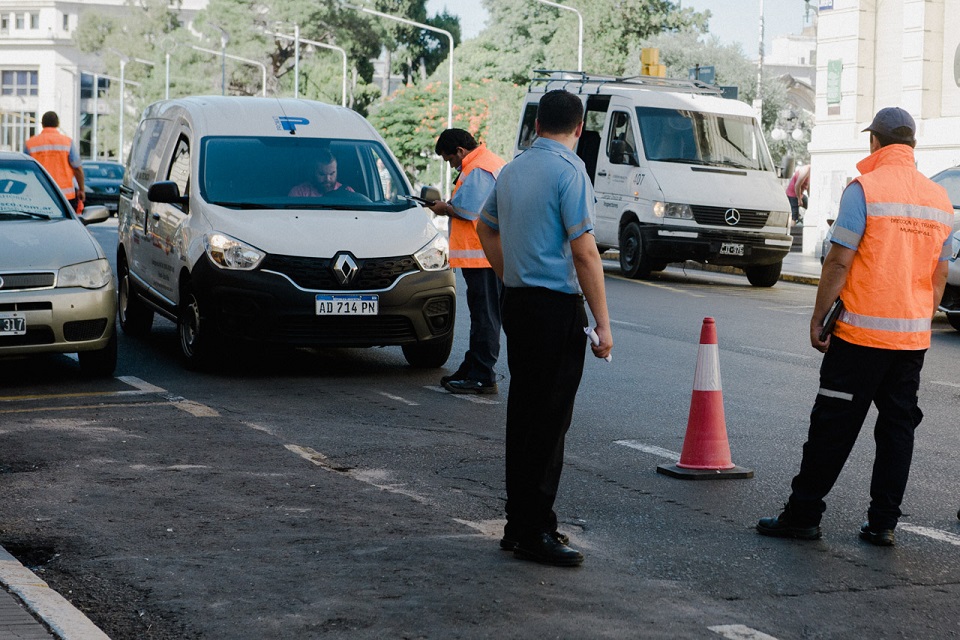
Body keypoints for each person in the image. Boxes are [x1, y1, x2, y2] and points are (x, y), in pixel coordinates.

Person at [757, 107, 954, 547]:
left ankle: (803, 514)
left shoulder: (864, 189)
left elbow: (840, 259)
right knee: (898, 429)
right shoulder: (939, 199)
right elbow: (939, 275)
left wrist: (819, 317)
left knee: (832, 426)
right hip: (910, 341)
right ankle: (882, 523)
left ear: (874, 143)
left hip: (860, 338)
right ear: (914, 145)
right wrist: (919, 316)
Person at [477, 89, 613, 566]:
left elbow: (483, 226)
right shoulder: (570, 171)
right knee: (550, 421)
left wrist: (506, 271)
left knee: (525, 414)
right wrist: (603, 324)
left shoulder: (512, 169)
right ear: (579, 128)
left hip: (518, 302)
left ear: (536, 126)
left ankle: (519, 525)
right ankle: (537, 529)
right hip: (556, 308)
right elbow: (584, 251)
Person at [428, 129, 506, 394]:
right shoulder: (486, 163)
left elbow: (467, 210)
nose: (452, 165)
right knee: (482, 316)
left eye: (451, 159)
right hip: (486, 255)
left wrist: (443, 208)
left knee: (485, 317)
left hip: (484, 256)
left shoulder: (480, 168)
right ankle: (474, 367)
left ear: (460, 151)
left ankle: (483, 375)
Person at [25, 111, 85, 211]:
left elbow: (24, 170)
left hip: (38, 194)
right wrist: (81, 189)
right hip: (64, 197)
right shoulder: (67, 142)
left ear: (42, 124)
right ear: (58, 124)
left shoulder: (31, 143)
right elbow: (77, 168)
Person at [289, 150, 353, 196]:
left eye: (332, 174)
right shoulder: (299, 193)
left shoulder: (347, 192)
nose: (327, 179)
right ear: (313, 172)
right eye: (322, 174)